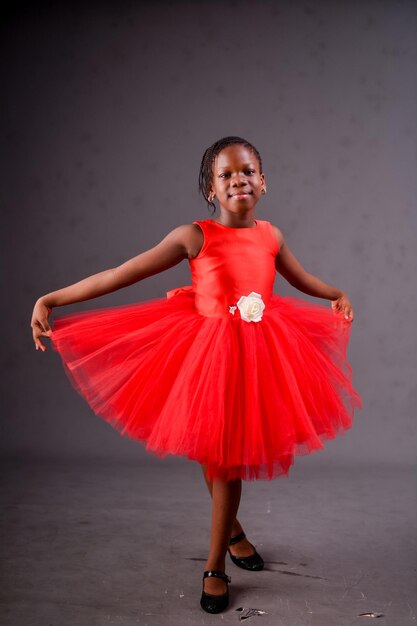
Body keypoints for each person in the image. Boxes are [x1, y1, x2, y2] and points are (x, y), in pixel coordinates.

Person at [31, 136, 362, 614]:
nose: (238, 180)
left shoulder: (272, 235)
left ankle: (231, 533)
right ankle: (216, 563)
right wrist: (52, 298)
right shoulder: (194, 236)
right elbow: (120, 273)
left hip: (259, 354)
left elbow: (299, 279)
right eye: (225, 175)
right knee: (218, 457)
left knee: (223, 455)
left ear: (263, 182)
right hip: (206, 353)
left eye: (247, 171)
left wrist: (335, 292)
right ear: (211, 189)